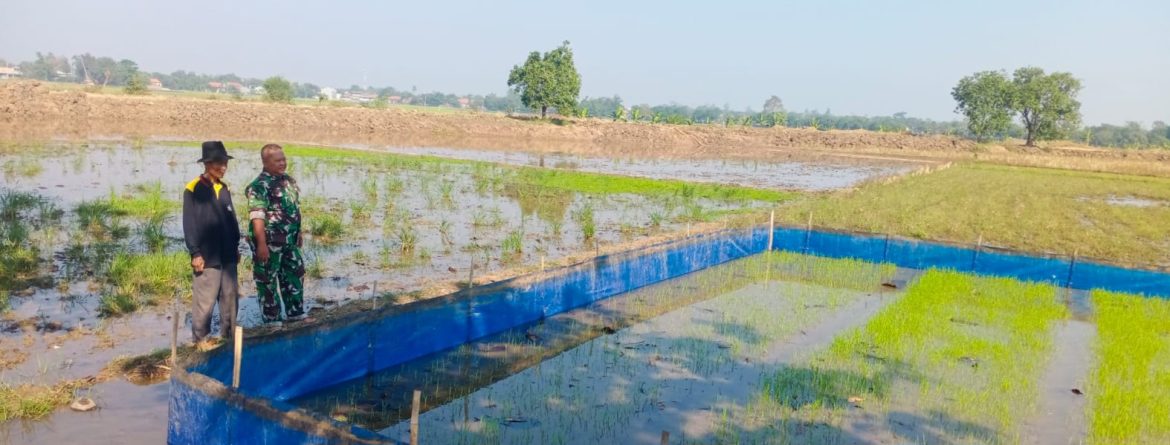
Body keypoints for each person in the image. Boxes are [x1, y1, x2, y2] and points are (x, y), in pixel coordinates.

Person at [182, 141, 241, 347]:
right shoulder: (193, 189)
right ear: (207, 164)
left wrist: (235, 247)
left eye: (225, 163)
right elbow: (189, 223)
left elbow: (231, 220)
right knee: (205, 301)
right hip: (207, 256)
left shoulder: (224, 188)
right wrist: (195, 252)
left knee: (230, 298)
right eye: (218, 164)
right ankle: (200, 341)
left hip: (228, 255)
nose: (223, 168)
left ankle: (228, 338)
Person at [246, 143, 309, 325]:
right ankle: (272, 321)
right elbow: (257, 217)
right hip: (270, 244)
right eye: (278, 160)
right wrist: (261, 245)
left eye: (284, 159)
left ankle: (295, 314)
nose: (282, 163)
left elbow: (294, 209)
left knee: (295, 275)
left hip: (289, 243)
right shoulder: (259, 186)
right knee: (267, 282)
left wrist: (299, 233)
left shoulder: (289, 181)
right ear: (265, 162)